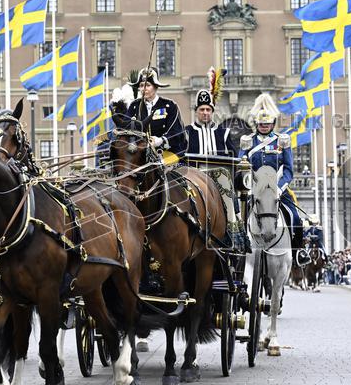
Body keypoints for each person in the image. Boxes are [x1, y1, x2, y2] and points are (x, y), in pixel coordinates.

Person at [185, 74, 245, 250]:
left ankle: (232, 235)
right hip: (193, 181)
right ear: (196, 111)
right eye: (202, 109)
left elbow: (235, 159)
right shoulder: (187, 132)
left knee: (228, 192)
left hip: (218, 182)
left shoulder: (223, 133)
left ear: (212, 112)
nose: (205, 113)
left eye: (208, 110)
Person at [238, 94, 303, 253]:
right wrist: (249, 186)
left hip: (278, 189)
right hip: (253, 190)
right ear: (256, 123)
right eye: (261, 124)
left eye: (267, 124)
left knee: (295, 218)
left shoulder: (282, 141)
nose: (264, 126)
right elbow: (241, 166)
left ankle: (296, 254)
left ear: (273, 123)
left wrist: (280, 189)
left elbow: (288, 170)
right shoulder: (248, 141)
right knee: (237, 222)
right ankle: (237, 253)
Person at [126, 66, 188, 165]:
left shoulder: (169, 106)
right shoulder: (134, 106)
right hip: (139, 154)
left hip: (166, 153)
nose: (143, 89)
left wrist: (161, 141)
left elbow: (177, 132)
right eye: (141, 85)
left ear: (156, 87)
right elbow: (126, 129)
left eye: (148, 85)